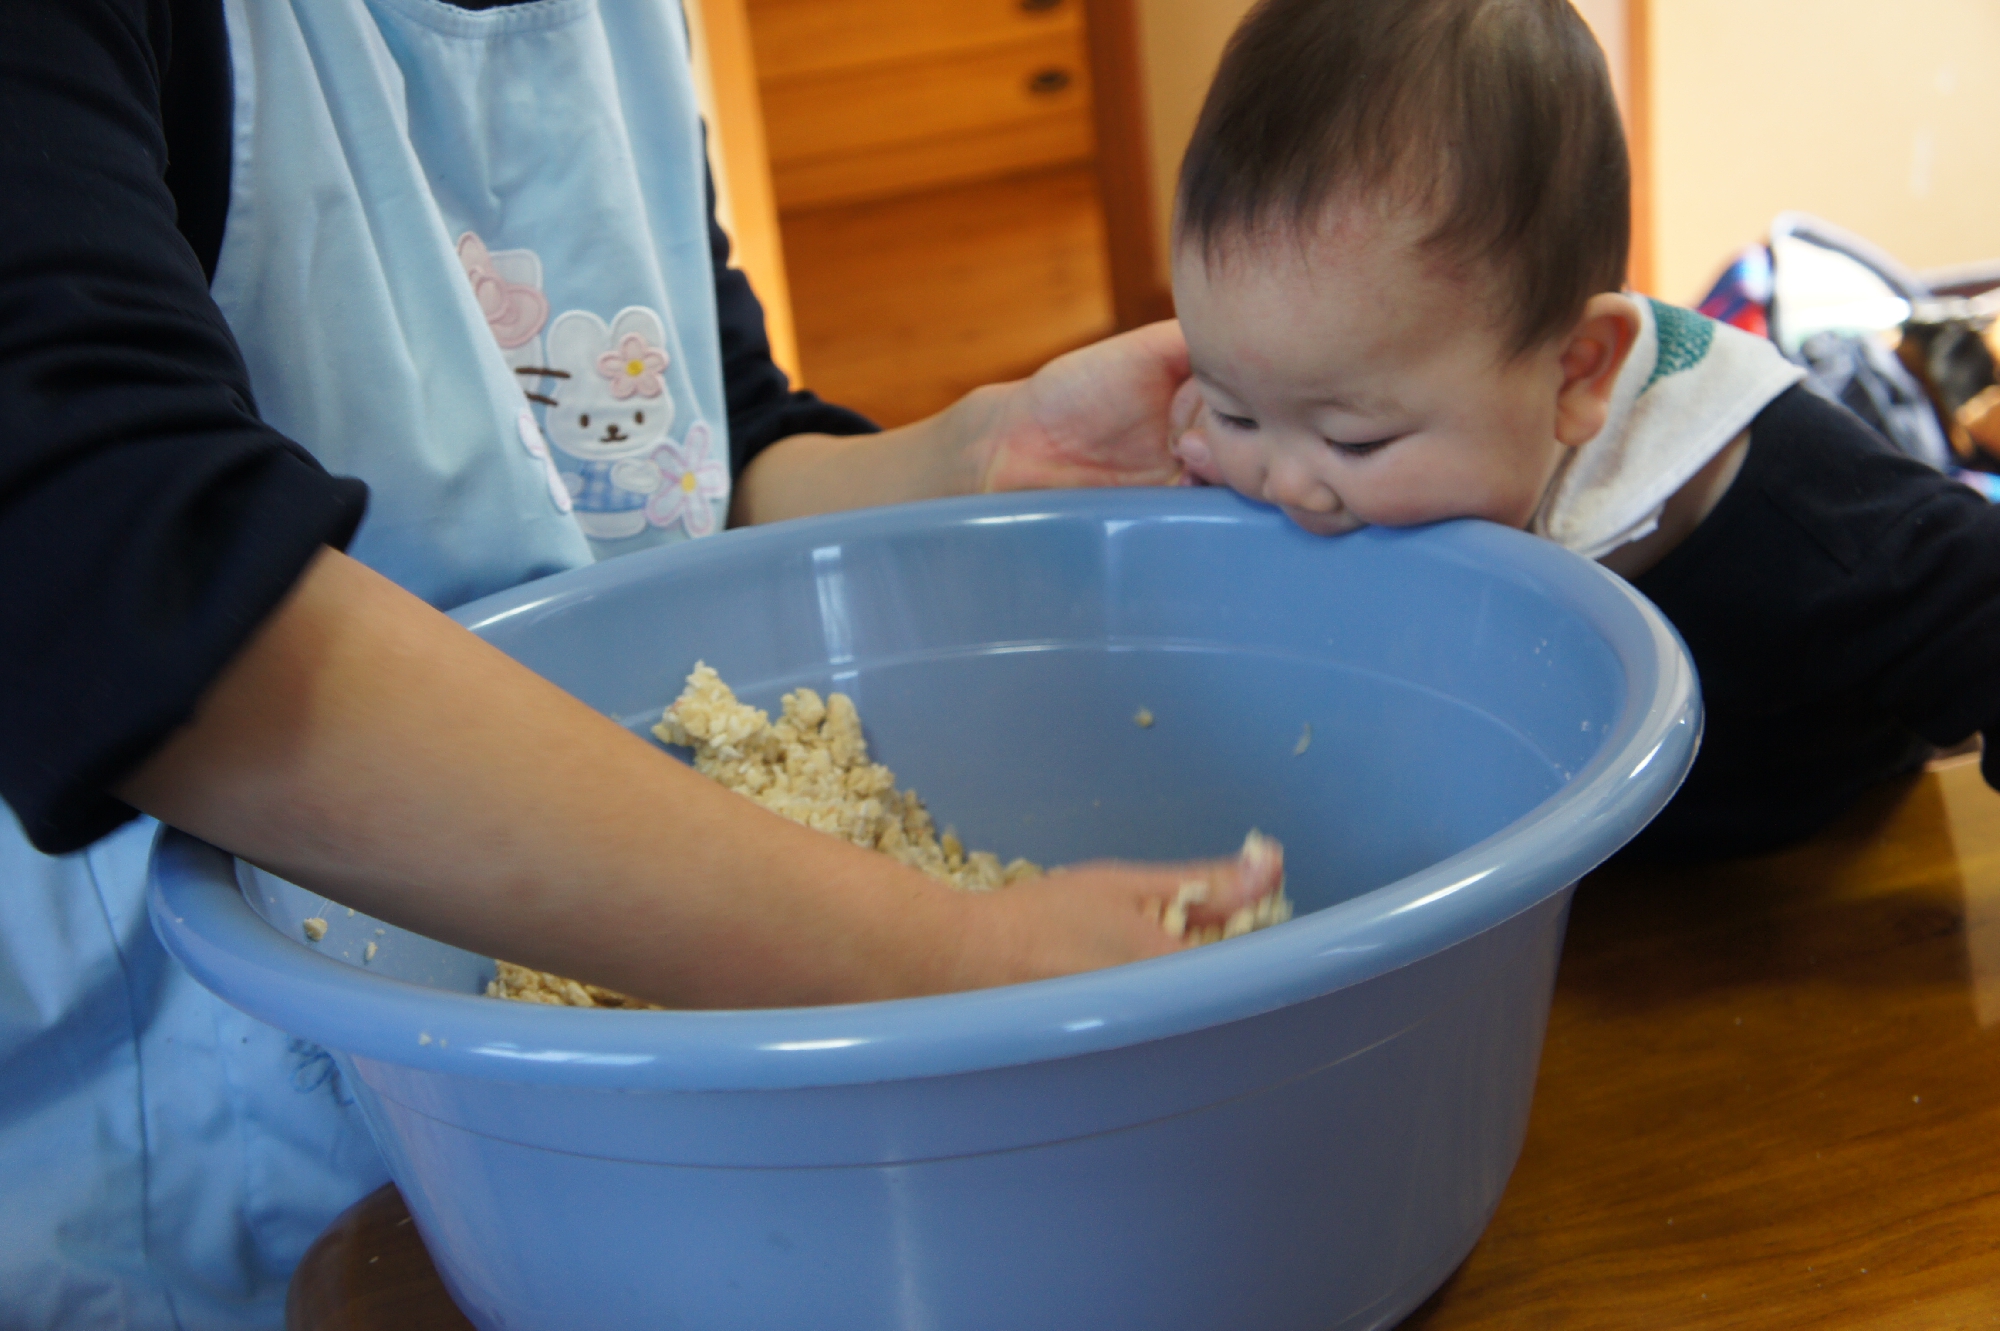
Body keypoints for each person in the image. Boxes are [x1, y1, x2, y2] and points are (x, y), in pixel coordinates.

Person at [0, 0, 1283, 1325]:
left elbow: (700, 448)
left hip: (628, 1174)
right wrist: (954, 955)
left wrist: (976, 462)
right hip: (203, 1191)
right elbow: (114, 574)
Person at [1164, 0, 2000, 861]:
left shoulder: (1822, 528)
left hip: (1790, 904)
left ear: (1579, 373)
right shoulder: (1351, 425)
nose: (1284, 486)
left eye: (1354, 441)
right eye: (1237, 408)